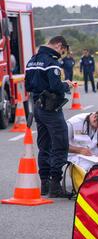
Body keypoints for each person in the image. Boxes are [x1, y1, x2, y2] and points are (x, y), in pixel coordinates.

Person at [25, 36, 73, 198]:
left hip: (37, 106)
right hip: (51, 109)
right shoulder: (52, 62)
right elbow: (56, 87)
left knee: (44, 145)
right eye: (62, 50)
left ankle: (44, 183)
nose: (61, 54)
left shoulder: (32, 60)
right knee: (60, 144)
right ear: (59, 45)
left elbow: (27, 85)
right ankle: (55, 185)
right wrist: (66, 85)